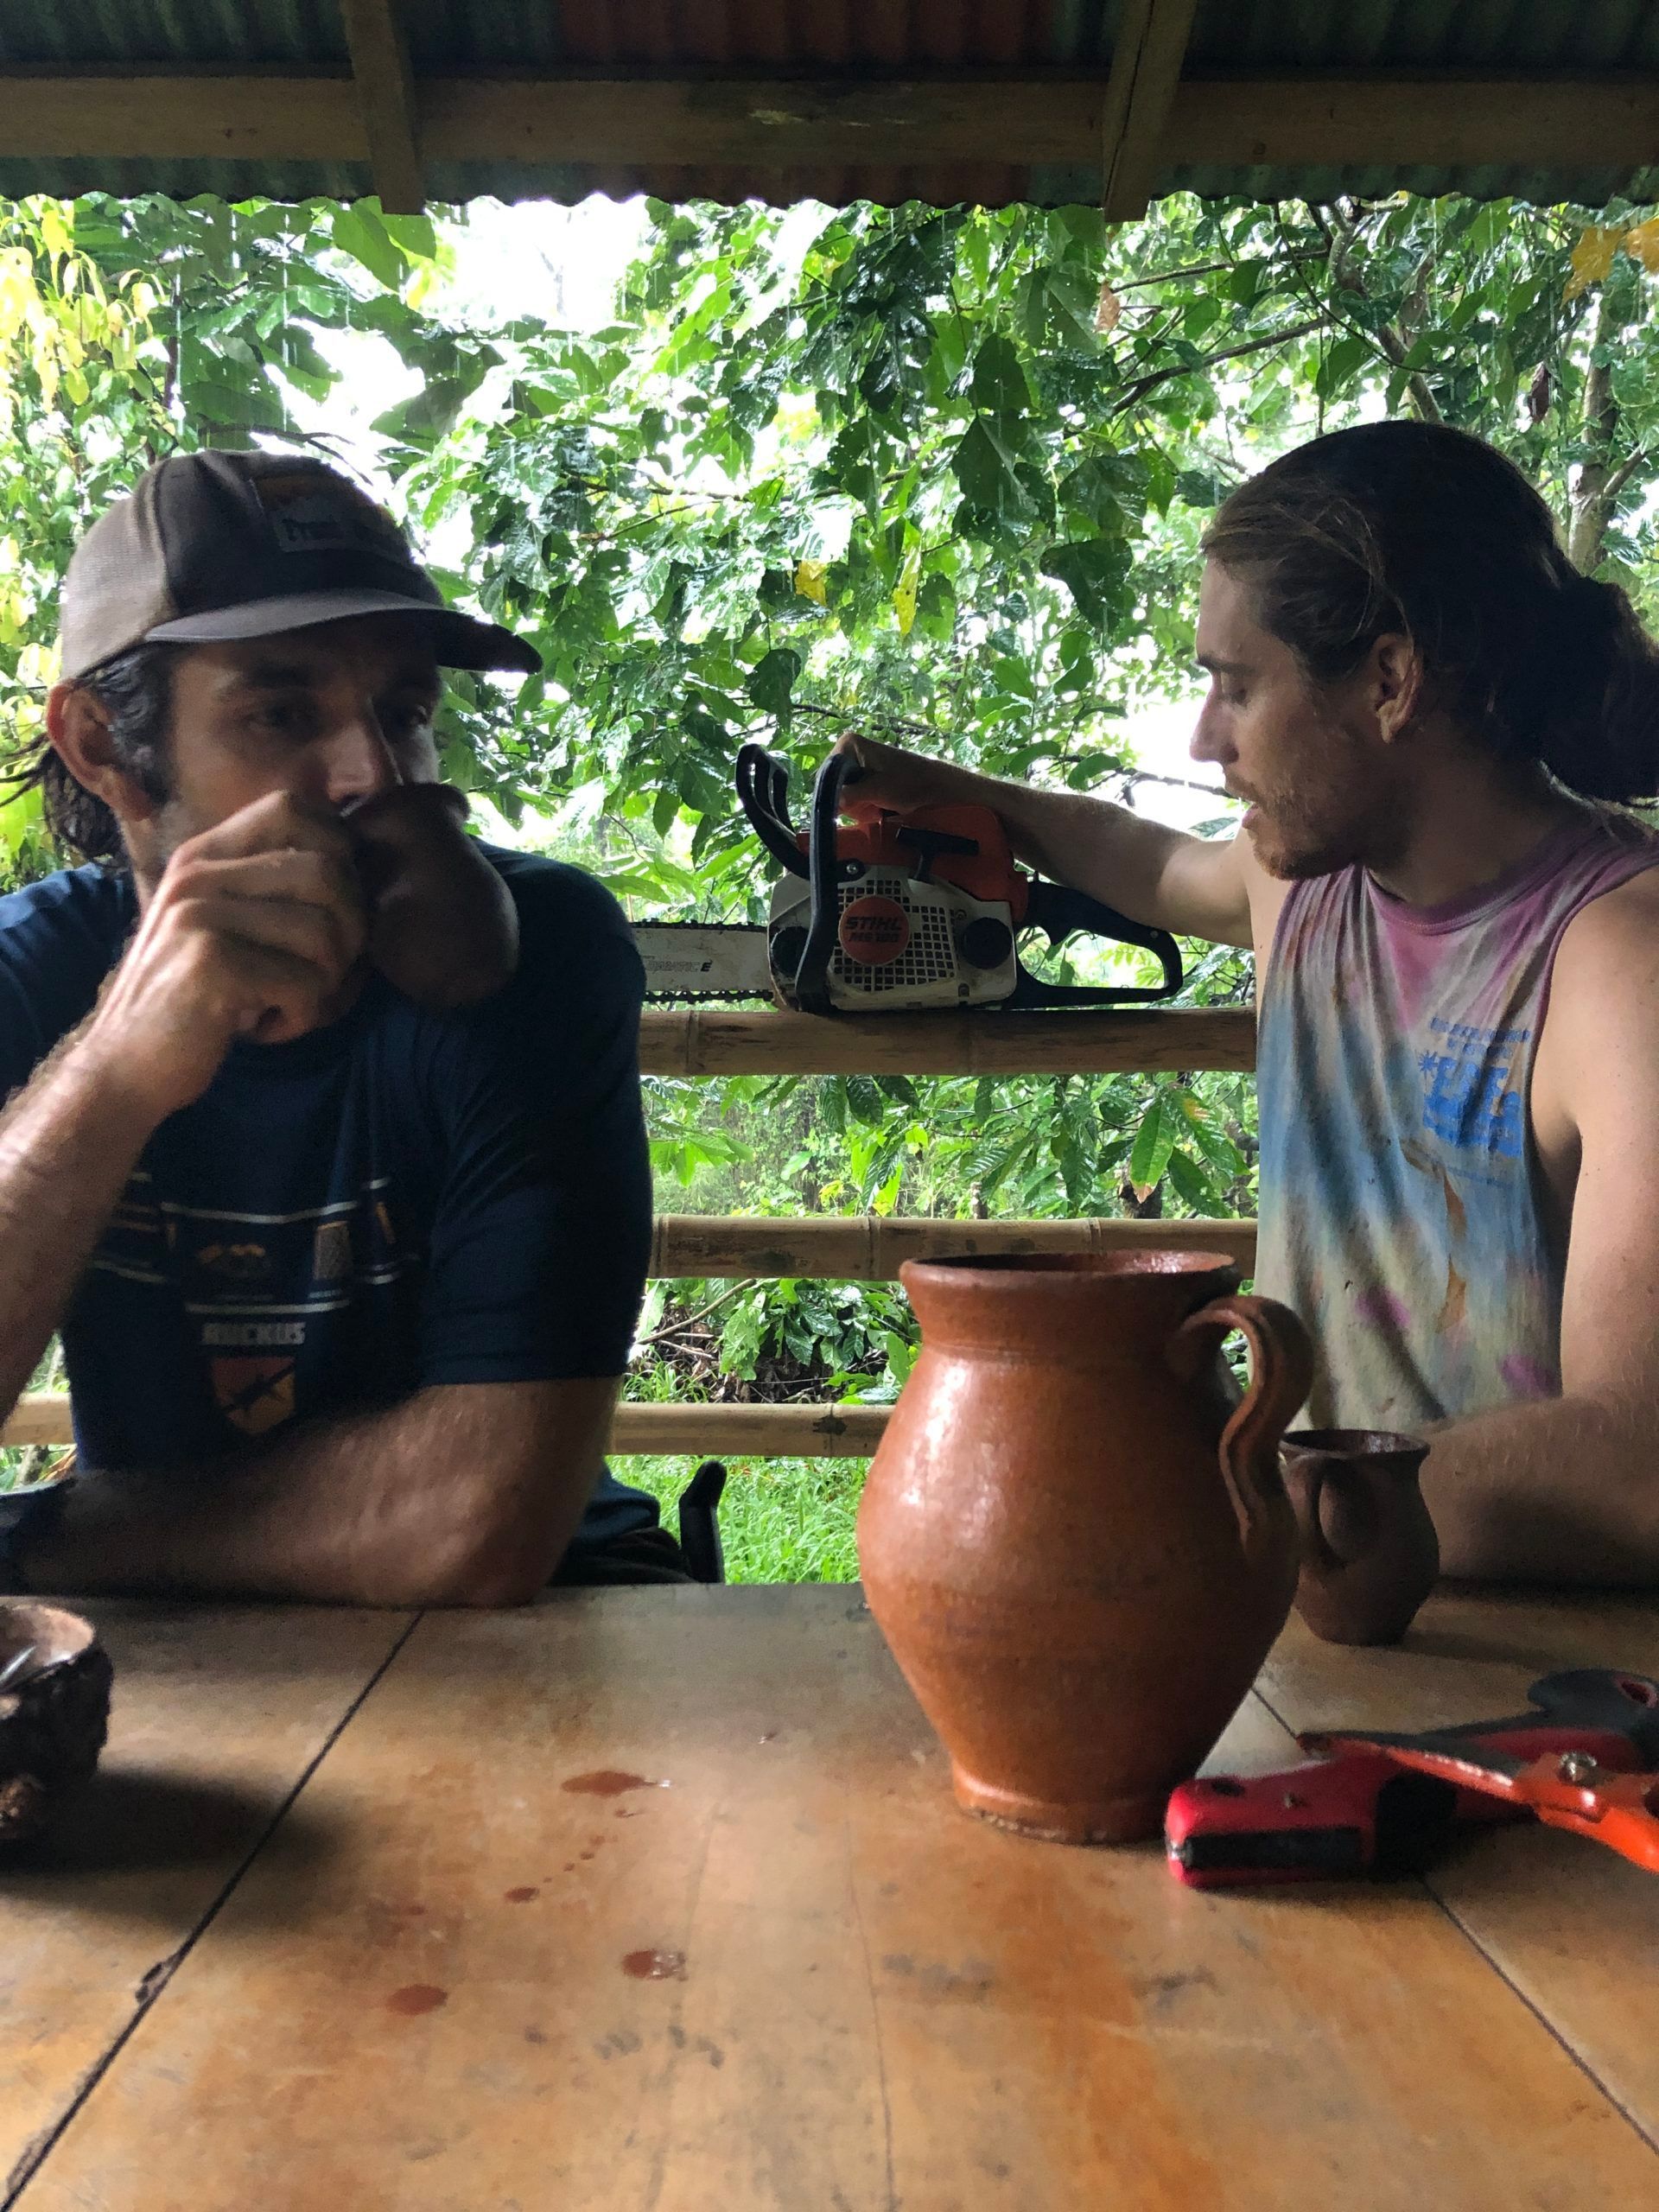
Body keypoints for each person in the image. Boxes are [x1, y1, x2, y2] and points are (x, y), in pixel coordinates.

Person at [841, 421, 1659, 1586]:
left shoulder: (1620, 965)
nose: (1203, 738)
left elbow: (1638, 1462)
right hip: (1314, 1603)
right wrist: (959, 798)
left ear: (1389, 680)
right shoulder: (1297, 884)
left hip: (1535, 1674)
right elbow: (1142, 856)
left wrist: (1239, 1502)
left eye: (1235, 685)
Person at [0, 448, 687, 1603]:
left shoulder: (543, 956)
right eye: (280, 710)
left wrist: (40, 1540)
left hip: (553, 1615)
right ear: (104, 748)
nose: (375, 771)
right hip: (176, 1647)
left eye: (404, 710)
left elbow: (481, 1522)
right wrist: (114, 1072)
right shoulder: (32, 972)